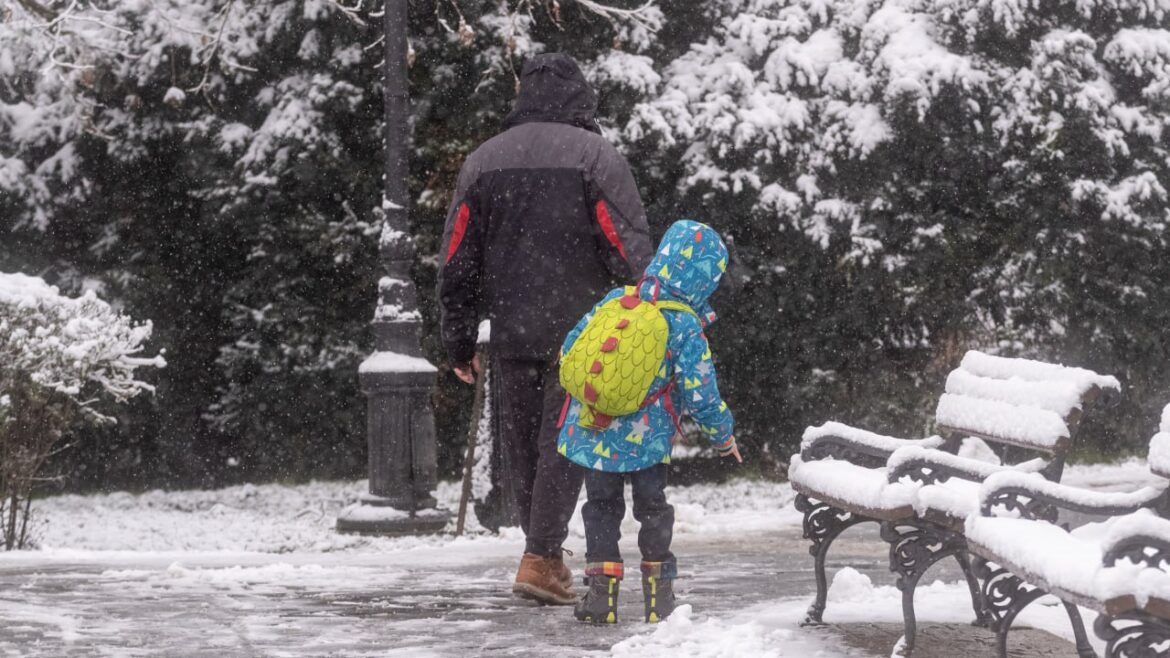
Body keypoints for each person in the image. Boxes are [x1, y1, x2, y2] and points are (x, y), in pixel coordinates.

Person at [438, 52, 652, 605]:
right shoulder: (597, 158)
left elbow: (457, 256)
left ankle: (543, 557)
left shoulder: (483, 162)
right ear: (581, 96)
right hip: (584, 334)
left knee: (525, 447)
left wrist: (458, 338)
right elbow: (628, 251)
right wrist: (647, 320)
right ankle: (540, 557)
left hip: (510, 329)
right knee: (563, 442)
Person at [556, 220, 742, 624]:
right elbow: (701, 390)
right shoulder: (685, 324)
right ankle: (659, 599)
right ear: (704, 278)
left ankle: (602, 599)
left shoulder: (616, 300)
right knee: (653, 509)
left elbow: (571, 347)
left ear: (662, 258)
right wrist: (723, 436)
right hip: (649, 441)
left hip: (597, 430)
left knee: (601, 507)